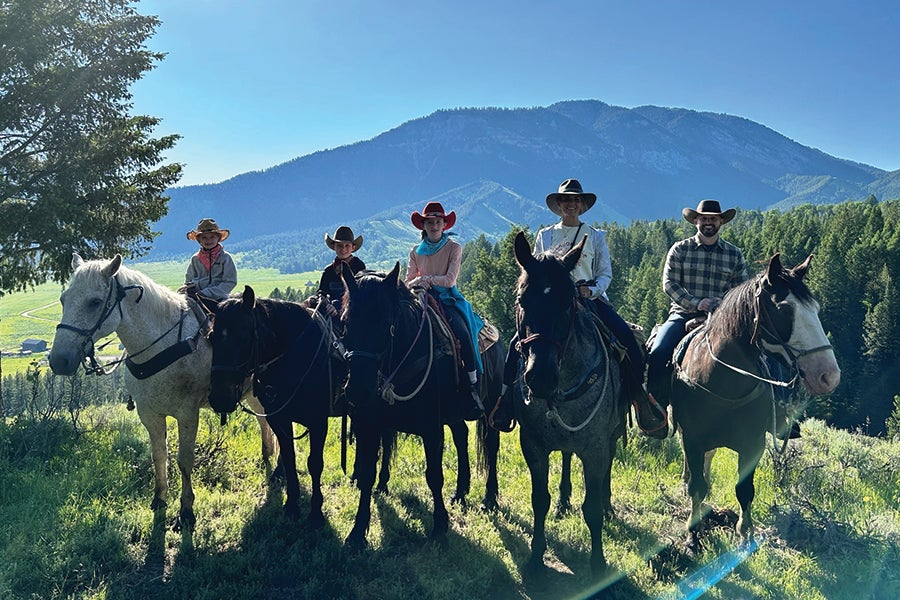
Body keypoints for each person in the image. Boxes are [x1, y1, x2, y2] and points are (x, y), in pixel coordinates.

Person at [497, 178, 667, 437]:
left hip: (589, 298)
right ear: (559, 204)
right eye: (566, 199)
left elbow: (605, 273)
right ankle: (506, 401)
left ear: (582, 205)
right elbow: (536, 271)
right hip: (555, 302)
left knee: (627, 339)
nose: (571, 204)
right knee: (515, 344)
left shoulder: (596, 237)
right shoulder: (545, 235)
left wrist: (592, 290)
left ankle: (637, 398)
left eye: (576, 200)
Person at [645, 199, 748, 408]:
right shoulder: (680, 250)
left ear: (721, 222)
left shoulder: (734, 254)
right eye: (704, 218)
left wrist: (723, 305)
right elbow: (669, 284)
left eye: (713, 219)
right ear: (695, 221)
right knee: (658, 353)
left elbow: (741, 290)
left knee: (762, 352)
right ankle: (656, 408)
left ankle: (779, 408)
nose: (708, 222)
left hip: (724, 318)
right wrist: (696, 303)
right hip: (683, 314)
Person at [406, 201, 485, 420]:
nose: (434, 226)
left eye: (438, 222)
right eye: (430, 222)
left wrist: (425, 280)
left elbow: (450, 280)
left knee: (462, 332)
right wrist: (419, 284)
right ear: (424, 226)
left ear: (444, 225)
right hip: (421, 298)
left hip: (448, 299)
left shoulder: (454, 248)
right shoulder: (415, 252)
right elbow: (408, 281)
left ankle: (472, 384)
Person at [306, 226, 366, 319]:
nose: (343, 249)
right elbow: (322, 292)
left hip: (352, 313)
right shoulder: (328, 270)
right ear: (334, 247)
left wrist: (337, 306)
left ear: (353, 247)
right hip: (329, 311)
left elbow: (359, 294)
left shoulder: (359, 267)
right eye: (339, 245)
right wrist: (314, 300)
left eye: (347, 246)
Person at [179, 218, 237, 307]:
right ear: (199, 240)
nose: (208, 240)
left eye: (212, 237)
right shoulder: (195, 259)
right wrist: (187, 289)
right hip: (196, 298)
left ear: (218, 238)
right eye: (204, 237)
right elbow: (189, 280)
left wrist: (206, 293)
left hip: (219, 299)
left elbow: (230, 282)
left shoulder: (225, 258)